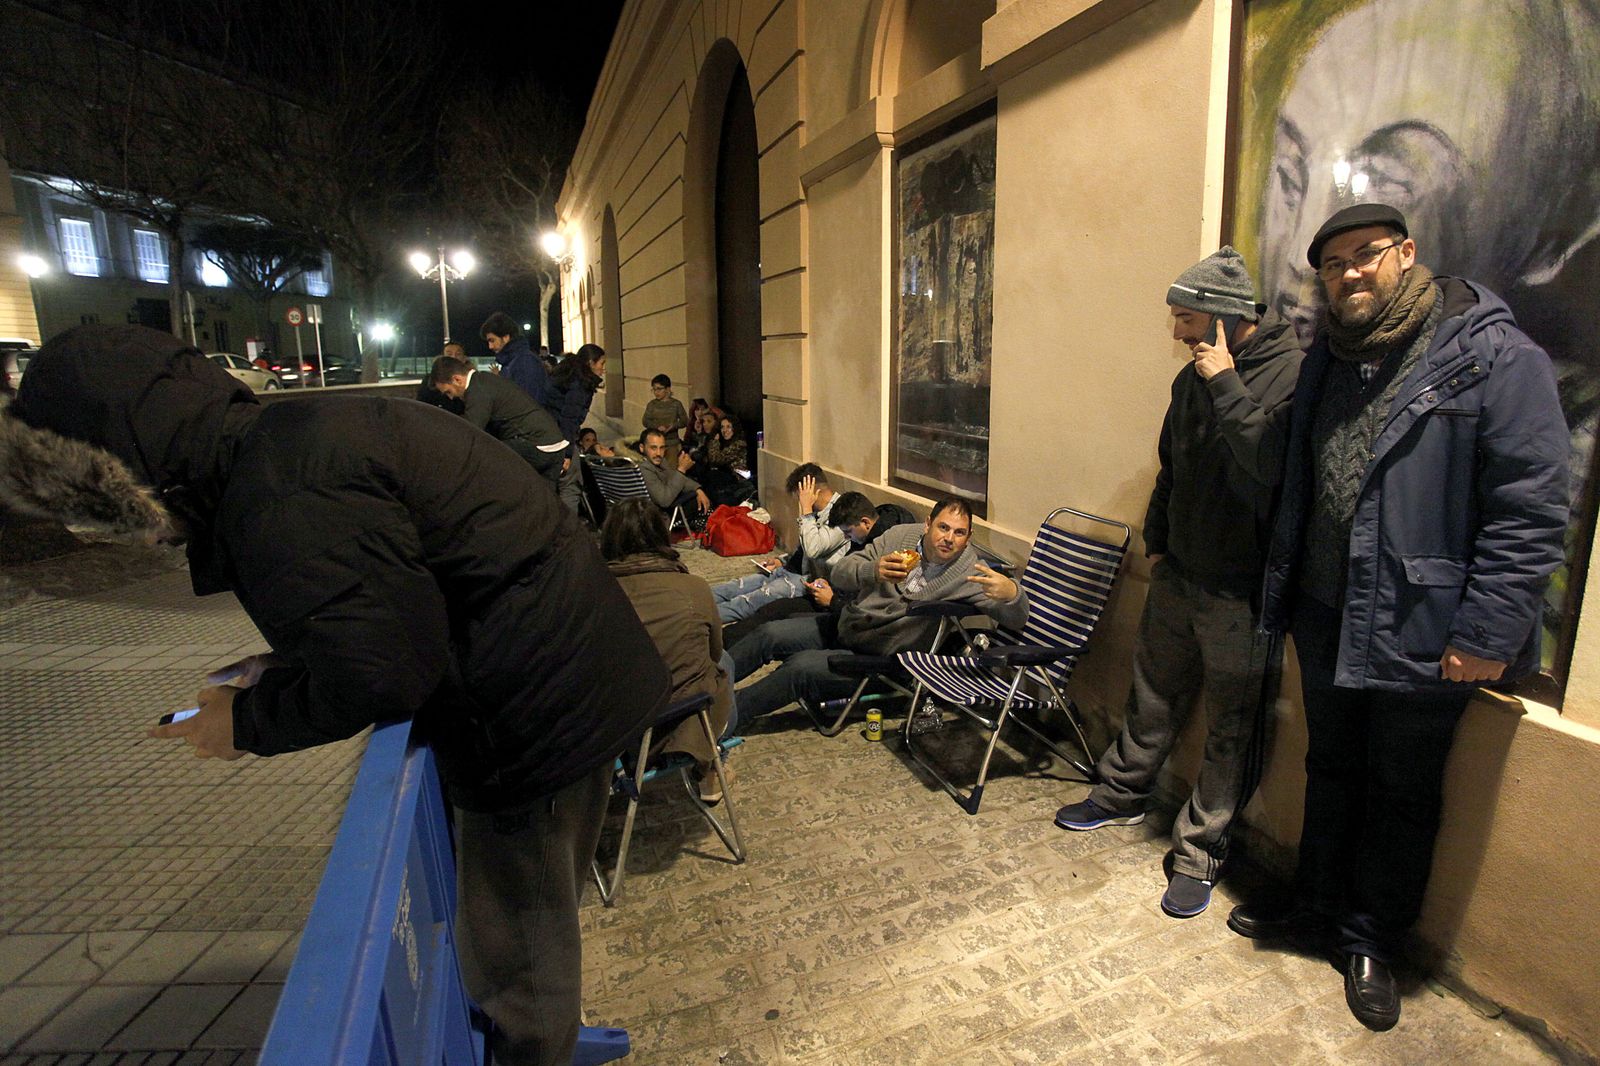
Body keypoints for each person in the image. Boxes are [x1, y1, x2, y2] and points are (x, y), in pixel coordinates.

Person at [0, 324, 671, 1066]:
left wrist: (245, 721)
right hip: (550, 678)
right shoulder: (288, 442)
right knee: (519, 934)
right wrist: (285, 669)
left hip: (536, 712)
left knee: (520, 955)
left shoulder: (278, 491)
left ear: (125, 474)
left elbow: (382, 670)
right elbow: (389, 604)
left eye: (91, 513)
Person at [1228, 204, 1567, 1032]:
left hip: (1425, 623)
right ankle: (1315, 905)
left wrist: (1485, 634)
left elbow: (1530, 505)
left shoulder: (1488, 354)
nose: (1349, 273)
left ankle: (1371, 938)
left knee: (1403, 791)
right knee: (1332, 766)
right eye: (1333, 263)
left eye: (1366, 255)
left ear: (1406, 253)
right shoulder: (1327, 361)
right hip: (1327, 610)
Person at [1051, 247, 1302, 920]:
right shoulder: (1189, 378)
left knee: (1232, 728)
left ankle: (1200, 852)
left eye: (1187, 319)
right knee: (1152, 694)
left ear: (1222, 318)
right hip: (1180, 574)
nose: (1177, 334)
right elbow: (1172, 466)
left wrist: (1226, 382)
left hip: (1240, 593)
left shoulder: (1291, 375)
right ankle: (1120, 792)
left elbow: (1270, 472)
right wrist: (1158, 541)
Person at [729, 497, 1027, 723]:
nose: (949, 538)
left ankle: (719, 719)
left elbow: (1017, 618)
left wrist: (1012, 594)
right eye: (943, 527)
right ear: (928, 524)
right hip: (849, 624)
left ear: (968, 537)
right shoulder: (899, 538)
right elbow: (842, 572)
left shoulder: (970, 573)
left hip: (883, 656)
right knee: (769, 633)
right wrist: (872, 570)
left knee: (799, 668)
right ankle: (704, 684)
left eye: (959, 533)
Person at [601, 499, 737, 802]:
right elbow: (714, 653)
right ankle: (709, 771)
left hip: (613, 729)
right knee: (725, 664)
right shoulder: (694, 588)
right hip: (680, 714)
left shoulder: (591, 591)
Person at [710, 463, 848, 623]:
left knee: (746, 602)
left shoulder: (841, 514)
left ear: (812, 491)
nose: (799, 500)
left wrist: (806, 510)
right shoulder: (817, 512)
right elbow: (803, 550)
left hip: (808, 580)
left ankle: (694, 619)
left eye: (800, 495)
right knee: (734, 586)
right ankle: (687, 602)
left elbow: (813, 550)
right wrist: (780, 560)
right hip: (789, 569)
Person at [431, 355, 570, 487]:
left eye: (448, 392)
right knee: (546, 501)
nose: (450, 398)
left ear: (457, 379)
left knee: (487, 462)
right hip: (554, 444)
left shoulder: (478, 389)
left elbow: (471, 429)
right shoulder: (486, 380)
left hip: (536, 444)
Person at [546, 344, 607, 514]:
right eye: (601, 364)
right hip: (559, 439)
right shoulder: (580, 384)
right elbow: (569, 419)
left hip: (548, 433)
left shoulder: (567, 376)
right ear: (590, 363)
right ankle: (569, 532)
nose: (603, 369)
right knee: (570, 486)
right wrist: (566, 454)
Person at [482, 312, 559, 412]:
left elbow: (528, 405)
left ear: (506, 337)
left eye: (492, 340)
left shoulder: (524, 361)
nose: (490, 346)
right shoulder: (513, 362)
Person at [638, 426, 710, 517]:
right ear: (642, 448)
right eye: (653, 448)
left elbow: (673, 476)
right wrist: (682, 469)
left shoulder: (660, 462)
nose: (658, 453)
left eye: (662, 448)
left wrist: (697, 489)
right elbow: (664, 500)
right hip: (657, 515)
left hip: (667, 503)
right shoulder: (643, 468)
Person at [642, 373, 689, 462]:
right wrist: (656, 427)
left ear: (667, 389)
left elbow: (684, 421)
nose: (656, 392)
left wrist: (672, 426)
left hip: (672, 442)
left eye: (659, 389)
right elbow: (645, 421)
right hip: (655, 442)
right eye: (654, 389)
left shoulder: (676, 404)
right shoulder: (652, 405)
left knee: (671, 468)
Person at [415, 343, 469, 415]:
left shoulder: (472, 381)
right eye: (449, 354)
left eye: (458, 354)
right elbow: (421, 407)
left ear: (464, 358)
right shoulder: (430, 381)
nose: (453, 357)